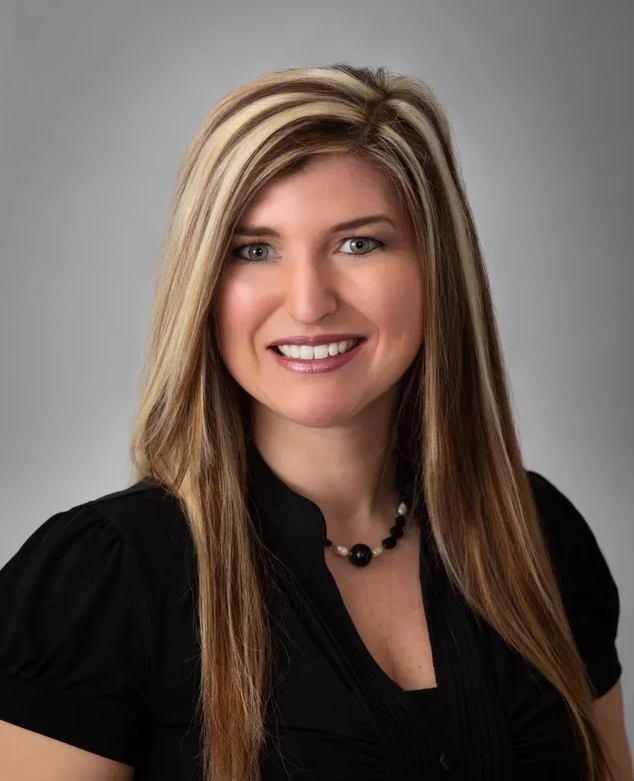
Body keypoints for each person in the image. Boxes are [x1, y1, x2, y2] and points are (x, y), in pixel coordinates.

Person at [0, 63, 631, 781]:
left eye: (359, 243)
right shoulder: (103, 581)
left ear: (436, 269)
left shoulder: (539, 538)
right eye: (253, 250)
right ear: (203, 284)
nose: (307, 302)